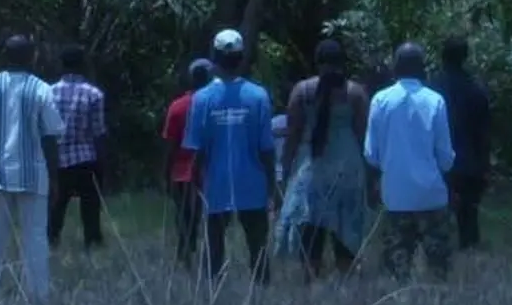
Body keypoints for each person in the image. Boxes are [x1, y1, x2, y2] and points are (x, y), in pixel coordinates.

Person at [0, 35, 64, 304]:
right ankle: (38, 295)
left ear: (4, 56)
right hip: (33, 174)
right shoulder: (41, 89)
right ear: (31, 56)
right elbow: (50, 135)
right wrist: (55, 177)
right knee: (35, 236)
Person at [183, 29, 279, 284]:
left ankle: (213, 290)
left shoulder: (202, 99)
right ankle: (261, 291)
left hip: (216, 183)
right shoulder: (258, 95)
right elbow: (266, 148)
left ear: (214, 57)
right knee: (258, 245)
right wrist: (272, 186)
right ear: (240, 57)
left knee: (213, 244)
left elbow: (197, 149)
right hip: (253, 182)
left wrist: (194, 185)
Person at [274, 40, 371, 278]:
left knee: (311, 231)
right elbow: (363, 135)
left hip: (311, 169)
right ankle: (347, 281)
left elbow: (292, 135)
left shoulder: (302, 91)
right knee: (345, 231)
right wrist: (371, 176)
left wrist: (284, 170)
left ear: (318, 62)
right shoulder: (355, 93)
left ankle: (311, 281)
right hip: (347, 169)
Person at [367, 41, 458, 279]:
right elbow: (446, 157)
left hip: (395, 197)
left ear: (395, 68)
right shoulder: (436, 101)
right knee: (438, 271)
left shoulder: (380, 100)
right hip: (431, 196)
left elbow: (371, 154)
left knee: (397, 273)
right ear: (422, 68)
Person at [435, 37, 494, 250]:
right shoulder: (476, 90)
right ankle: (470, 263)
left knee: (436, 220)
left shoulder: (432, 90)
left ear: (442, 57)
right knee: (469, 220)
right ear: (465, 57)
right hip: (470, 164)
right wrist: (485, 166)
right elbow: (484, 132)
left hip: (438, 165)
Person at [48, 45, 109, 250]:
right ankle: (91, 244)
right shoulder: (94, 94)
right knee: (90, 206)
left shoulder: (48, 93)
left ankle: (51, 241)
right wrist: (102, 163)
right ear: (83, 65)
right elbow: (98, 132)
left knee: (56, 205)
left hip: (57, 157)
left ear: (62, 65)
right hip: (85, 157)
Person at [162, 59, 213, 268]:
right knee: (199, 213)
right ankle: (196, 252)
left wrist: (166, 171)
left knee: (182, 213)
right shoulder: (213, 104)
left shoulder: (178, 106)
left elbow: (171, 143)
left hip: (181, 171)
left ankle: (186, 249)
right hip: (207, 170)